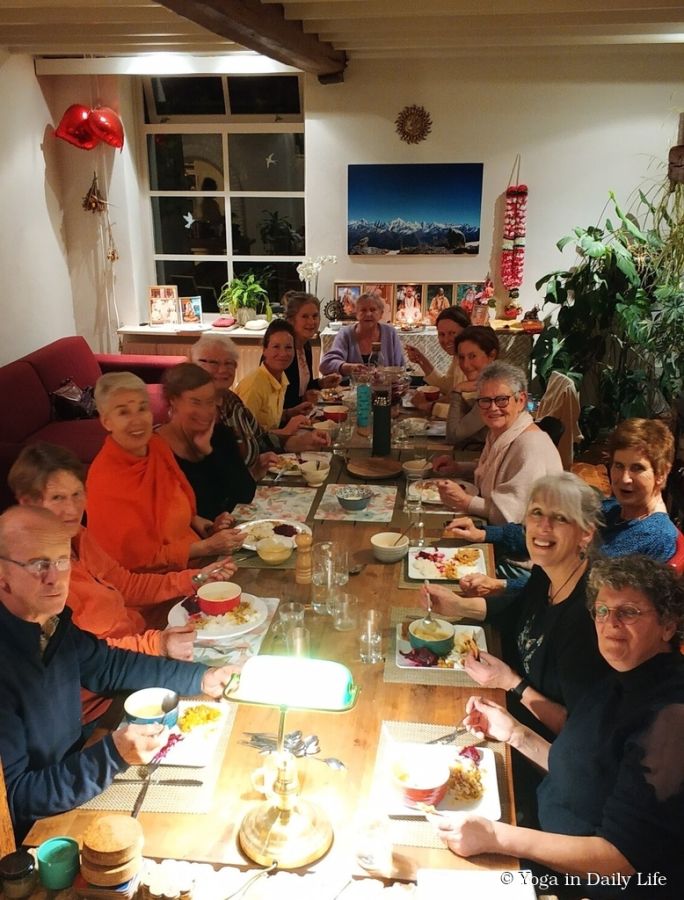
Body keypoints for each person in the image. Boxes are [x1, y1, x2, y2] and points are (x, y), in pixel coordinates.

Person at [434, 556, 684, 899]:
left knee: (428, 876)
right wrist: (514, 734)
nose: (610, 624)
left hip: (576, 881)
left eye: (628, 612)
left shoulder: (670, 719)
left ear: (668, 625)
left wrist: (497, 837)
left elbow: (622, 861)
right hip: (538, 825)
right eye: (602, 611)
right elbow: (585, 773)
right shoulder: (624, 674)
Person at [0, 506, 238, 842]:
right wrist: (112, 755)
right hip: (38, 834)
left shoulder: (48, 623)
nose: (56, 576)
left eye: (62, 559)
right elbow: (17, 801)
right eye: (38, 564)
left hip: (77, 768)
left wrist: (201, 677)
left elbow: (110, 665)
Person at [423, 473, 609, 737]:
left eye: (560, 518)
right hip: (501, 701)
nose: (543, 526)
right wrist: (458, 606)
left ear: (585, 534)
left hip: (537, 743)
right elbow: (517, 611)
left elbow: (579, 731)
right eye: (536, 513)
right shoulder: (549, 569)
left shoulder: (589, 618)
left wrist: (512, 682)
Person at [443, 417, 679, 599]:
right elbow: (547, 534)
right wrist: (483, 533)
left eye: (637, 468)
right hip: (544, 598)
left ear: (662, 473)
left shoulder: (655, 536)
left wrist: (500, 586)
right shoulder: (612, 508)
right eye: (618, 466)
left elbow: (580, 592)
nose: (624, 478)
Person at [86, 372, 243, 573]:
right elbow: (138, 561)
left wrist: (206, 526)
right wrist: (206, 547)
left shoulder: (156, 445)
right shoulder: (106, 479)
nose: (137, 421)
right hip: (155, 581)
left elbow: (178, 500)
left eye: (142, 408)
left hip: (194, 556)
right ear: (106, 421)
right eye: (123, 412)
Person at [434, 362, 562, 524]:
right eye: (485, 400)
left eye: (502, 400)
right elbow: (498, 469)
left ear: (521, 400)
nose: (493, 408)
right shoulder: (502, 430)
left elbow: (513, 515)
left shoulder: (530, 445)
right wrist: (459, 467)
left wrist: (466, 501)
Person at [190, 335, 329, 470]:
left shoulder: (232, 401)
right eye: (213, 363)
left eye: (229, 363)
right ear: (193, 365)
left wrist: (306, 441)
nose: (222, 369)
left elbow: (262, 438)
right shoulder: (191, 413)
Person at [156, 363, 256, 519]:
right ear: (173, 400)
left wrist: (209, 452)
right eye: (195, 402)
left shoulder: (220, 435)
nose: (205, 411)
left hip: (225, 532)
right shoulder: (155, 447)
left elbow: (246, 493)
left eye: (210, 402)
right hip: (184, 538)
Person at [235, 320, 312, 434]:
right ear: (264, 350)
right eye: (276, 347)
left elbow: (268, 421)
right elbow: (244, 434)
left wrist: (291, 412)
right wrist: (286, 431)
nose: (283, 353)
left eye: (288, 347)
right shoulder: (254, 386)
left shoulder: (281, 378)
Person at [319, 292, 406, 378]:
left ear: (381, 314)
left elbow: (400, 368)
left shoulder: (390, 333)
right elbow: (325, 365)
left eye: (373, 310)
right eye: (363, 310)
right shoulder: (346, 334)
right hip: (352, 390)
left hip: (384, 389)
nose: (368, 314)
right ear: (356, 314)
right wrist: (347, 368)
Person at [282, 291, 341, 411]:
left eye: (315, 316)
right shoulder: (284, 351)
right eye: (304, 316)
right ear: (291, 320)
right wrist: (304, 399)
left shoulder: (305, 346)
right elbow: (280, 400)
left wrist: (321, 383)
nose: (311, 322)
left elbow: (302, 388)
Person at [406, 305, 471, 401]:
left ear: (467, 331)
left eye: (452, 333)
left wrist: (428, 407)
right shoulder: (458, 355)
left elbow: (464, 407)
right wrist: (421, 360)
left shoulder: (471, 360)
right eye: (442, 334)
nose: (446, 340)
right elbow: (446, 387)